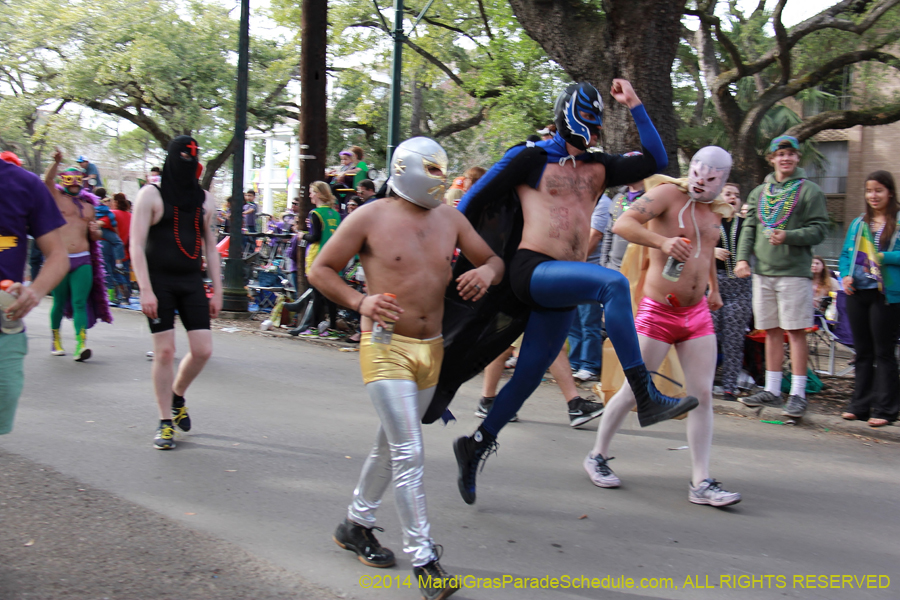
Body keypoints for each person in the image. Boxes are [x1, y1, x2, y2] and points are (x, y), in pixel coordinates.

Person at [447, 80, 698, 505]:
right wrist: (455, 257)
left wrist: (635, 103)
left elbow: (657, 158)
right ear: (566, 113)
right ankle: (644, 393)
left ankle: (476, 445)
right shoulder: (529, 158)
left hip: (565, 277)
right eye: (587, 118)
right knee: (612, 283)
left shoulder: (601, 168)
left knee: (527, 376)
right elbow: (471, 202)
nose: (593, 129)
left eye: (598, 123)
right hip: (532, 269)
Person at [309, 136, 503, 599]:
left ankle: (355, 523)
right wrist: (362, 300)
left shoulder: (450, 218)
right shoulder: (369, 216)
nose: (440, 179)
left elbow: (493, 259)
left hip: (431, 350)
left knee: (389, 445)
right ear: (407, 169)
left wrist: (487, 273)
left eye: (444, 171)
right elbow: (321, 269)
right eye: (432, 170)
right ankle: (424, 558)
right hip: (385, 348)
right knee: (409, 453)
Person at [585, 147, 741, 507]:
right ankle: (596, 455)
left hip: (697, 312)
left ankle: (701, 481)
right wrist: (663, 241)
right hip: (659, 311)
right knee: (633, 390)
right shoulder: (669, 193)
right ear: (693, 170)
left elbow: (705, 252)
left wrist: (714, 289)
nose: (703, 183)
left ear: (723, 180)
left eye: (713, 179)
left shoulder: (716, 210)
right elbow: (623, 223)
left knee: (702, 394)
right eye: (700, 175)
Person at [130, 136, 223, 450]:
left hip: (191, 281)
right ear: (171, 158)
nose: (188, 164)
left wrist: (218, 290)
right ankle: (164, 421)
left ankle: (177, 394)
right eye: (183, 157)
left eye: (192, 158)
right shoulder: (150, 195)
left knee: (203, 350)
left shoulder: (206, 200)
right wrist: (144, 289)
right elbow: (136, 245)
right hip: (159, 282)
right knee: (165, 352)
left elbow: (210, 246)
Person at [735, 135, 829, 418]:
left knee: (795, 332)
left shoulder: (809, 190)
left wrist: (789, 236)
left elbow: (820, 229)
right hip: (763, 272)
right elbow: (749, 228)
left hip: (794, 274)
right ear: (772, 159)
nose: (785, 158)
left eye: (790, 154)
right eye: (780, 154)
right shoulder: (759, 192)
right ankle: (773, 389)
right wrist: (741, 258)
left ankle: (798, 393)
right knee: (771, 331)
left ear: (798, 158)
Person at [0, 153, 68, 435]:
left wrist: (35, 291)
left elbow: (58, 255)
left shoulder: (24, 184)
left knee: (6, 393)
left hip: (5, 323)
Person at [838, 170, 900, 427]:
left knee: (883, 351)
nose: (873, 196)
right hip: (857, 292)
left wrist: (882, 257)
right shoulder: (858, 223)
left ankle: (886, 409)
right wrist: (845, 276)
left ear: (890, 193)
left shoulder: (897, 222)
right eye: (869, 191)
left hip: (884, 294)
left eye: (879, 191)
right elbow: (845, 255)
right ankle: (860, 405)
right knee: (862, 351)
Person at [44, 151, 112, 361]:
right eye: (69, 179)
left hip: (83, 259)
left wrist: (95, 232)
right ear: (63, 181)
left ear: (82, 182)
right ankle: (55, 340)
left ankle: (80, 344)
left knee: (80, 303)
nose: (74, 183)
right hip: (60, 259)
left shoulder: (90, 207)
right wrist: (56, 163)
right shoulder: (56, 199)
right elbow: (46, 181)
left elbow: (98, 236)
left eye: (77, 180)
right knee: (59, 301)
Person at [476, 343, 605, 427]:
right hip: (517, 303)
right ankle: (487, 400)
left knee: (556, 345)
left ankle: (575, 404)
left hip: (537, 303)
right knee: (505, 346)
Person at [712, 182, 753, 402]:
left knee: (734, 340)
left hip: (740, 287)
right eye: (728, 194)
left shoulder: (746, 225)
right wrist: (712, 251)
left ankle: (730, 386)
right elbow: (693, 247)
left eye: (736, 195)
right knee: (709, 338)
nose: (732, 198)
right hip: (713, 285)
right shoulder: (709, 221)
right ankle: (704, 382)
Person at [569, 191, 612, 382]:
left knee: (589, 321)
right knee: (572, 320)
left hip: (590, 270)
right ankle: (575, 362)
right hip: (570, 268)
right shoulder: (574, 200)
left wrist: (575, 260)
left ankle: (590, 365)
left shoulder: (602, 203)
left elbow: (595, 236)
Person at [301, 181, 341, 337]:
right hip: (333, 256)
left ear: (318, 193)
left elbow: (315, 236)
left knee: (317, 293)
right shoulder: (335, 213)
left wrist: (302, 235)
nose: (310, 195)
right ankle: (332, 328)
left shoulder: (315, 213)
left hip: (318, 256)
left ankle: (314, 327)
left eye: (311, 192)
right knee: (330, 294)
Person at [111, 193, 133, 304]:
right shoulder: (130, 216)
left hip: (115, 250)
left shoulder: (112, 214)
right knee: (126, 274)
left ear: (115, 202)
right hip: (127, 250)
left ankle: (119, 297)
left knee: (116, 274)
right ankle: (127, 297)